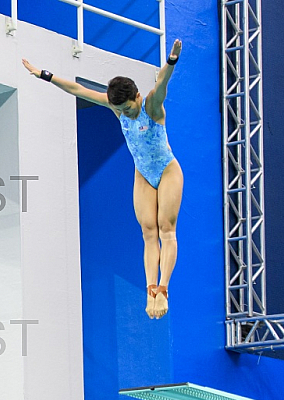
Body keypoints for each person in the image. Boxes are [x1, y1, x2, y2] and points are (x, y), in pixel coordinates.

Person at [22, 39, 183, 319]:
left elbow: (162, 82)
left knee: (165, 229)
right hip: (143, 173)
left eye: (127, 109)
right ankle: (150, 288)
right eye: (118, 110)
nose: (124, 114)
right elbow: (79, 90)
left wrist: (171, 60)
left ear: (136, 97)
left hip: (167, 170)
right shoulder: (117, 107)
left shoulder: (151, 105)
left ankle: (163, 289)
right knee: (148, 233)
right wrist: (44, 75)